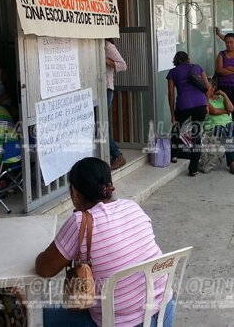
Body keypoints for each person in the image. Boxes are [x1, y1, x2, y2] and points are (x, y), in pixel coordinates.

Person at [35, 158, 174, 327]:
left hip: (118, 323)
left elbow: (44, 269)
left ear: (75, 193)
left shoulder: (80, 222)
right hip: (164, 313)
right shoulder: (132, 207)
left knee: (39, 315)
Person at [167, 51, 209, 176]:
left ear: (175, 61)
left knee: (176, 128)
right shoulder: (197, 68)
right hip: (200, 104)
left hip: (183, 105)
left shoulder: (173, 72)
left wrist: (173, 115)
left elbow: (171, 94)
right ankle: (193, 169)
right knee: (196, 135)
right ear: (188, 59)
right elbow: (207, 86)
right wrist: (206, 104)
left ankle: (174, 155)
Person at [105, 39, 128, 170]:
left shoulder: (108, 46)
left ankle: (116, 155)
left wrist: (105, 61)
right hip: (95, 89)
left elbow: (123, 65)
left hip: (106, 89)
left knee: (100, 124)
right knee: (99, 125)